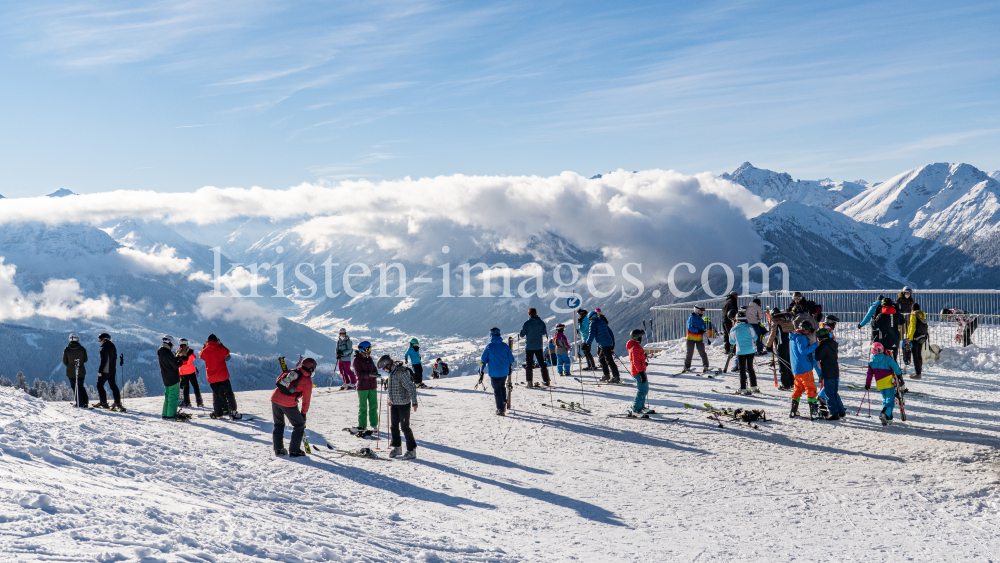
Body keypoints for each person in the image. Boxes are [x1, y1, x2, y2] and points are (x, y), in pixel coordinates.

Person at [271, 357, 315, 456]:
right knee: (299, 425)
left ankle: (278, 449)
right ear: (311, 369)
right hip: (288, 403)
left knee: (278, 425)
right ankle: (294, 450)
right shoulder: (307, 381)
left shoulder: (292, 371)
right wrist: (303, 414)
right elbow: (306, 400)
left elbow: (279, 380)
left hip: (275, 398)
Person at [200, 334, 241, 420]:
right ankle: (233, 412)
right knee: (229, 394)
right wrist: (220, 344)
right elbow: (227, 352)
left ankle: (218, 414)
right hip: (222, 376)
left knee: (216, 395)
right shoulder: (220, 348)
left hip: (212, 378)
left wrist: (205, 345)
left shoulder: (205, 351)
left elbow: (201, 356)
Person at [386, 357, 419, 459]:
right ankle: (397, 447)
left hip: (404, 404)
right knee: (394, 426)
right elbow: (391, 387)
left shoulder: (401, 373)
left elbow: (411, 387)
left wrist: (414, 402)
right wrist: (390, 399)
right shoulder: (391, 373)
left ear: (387, 365)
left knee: (405, 427)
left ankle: (411, 450)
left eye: (384, 368)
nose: (383, 370)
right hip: (395, 404)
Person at [480, 327, 516, 415]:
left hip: (494, 373)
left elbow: (482, 360)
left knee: (497, 390)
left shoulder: (489, 346)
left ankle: (500, 409)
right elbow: (511, 360)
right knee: (502, 386)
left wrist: (480, 370)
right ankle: (504, 402)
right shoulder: (505, 346)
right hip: (504, 372)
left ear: (491, 335)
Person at [865, 342, 902, 426]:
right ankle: (884, 414)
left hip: (880, 383)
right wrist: (899, 375)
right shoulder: (887, 358)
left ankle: (888, 418)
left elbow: (869, 375)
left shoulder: (871, 362)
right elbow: (895, 366)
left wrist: (868, 384)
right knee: (890, 400)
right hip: (889, 382)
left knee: (885, 399)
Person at [789, 321, 819, 419]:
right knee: (810, 388)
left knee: (798, 388)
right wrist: (815, 345)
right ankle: (814, 413)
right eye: (809, 331)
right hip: (805, 368)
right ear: (804, 329)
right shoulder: (801, 337)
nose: (809, 333)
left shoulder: (793, 338)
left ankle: (793, 411)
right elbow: (803, 351)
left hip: (796, 369)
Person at [814, 328, 844, 420]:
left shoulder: (824, 346)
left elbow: (817, 356)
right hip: (835, 371)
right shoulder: (833, 344)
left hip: (828, 372)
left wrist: (817, 347)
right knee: (834, 393)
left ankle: (834, 413)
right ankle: (841, 411)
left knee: (829, 394)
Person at [351, 341, 379, 435]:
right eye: (369, 349)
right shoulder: (356, 360)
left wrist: (375, 373)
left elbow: (374, 368)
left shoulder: (369, 358)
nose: (370, 351)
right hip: (363, 386)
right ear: (364, 349)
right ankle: (362, 425)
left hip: (372, 386)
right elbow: (359, 374)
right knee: (363, 407)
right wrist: (369, 375)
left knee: (373, 406)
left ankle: (374, 425)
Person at [586, 309, 620, 383]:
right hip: (607, 343)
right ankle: (606, 375)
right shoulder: (602, 322)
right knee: (601, 359)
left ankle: (616, 377)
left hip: (604, 344)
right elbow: (610, 332)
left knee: (609, 360)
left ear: (590, 318)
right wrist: (612, 343)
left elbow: (591, 335)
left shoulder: (593, 323)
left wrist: (587, 344)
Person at [520, 308, 551, 387]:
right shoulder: (541, 323)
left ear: (529, 314)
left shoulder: (527, 323)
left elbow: (522, 334)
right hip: (538, 346)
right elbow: (544, 332)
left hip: (529, 346)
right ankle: (546, 380)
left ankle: (529, 382)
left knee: (529, 364)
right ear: (536, 313)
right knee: (542, 363)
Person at [158, 335, 187, 421]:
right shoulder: (168, 352)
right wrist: (181, 360)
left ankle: (165, 414)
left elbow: (170, 361)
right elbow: (175, 365)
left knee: (167, 397)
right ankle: (171, 414)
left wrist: (176, 358)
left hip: (165, 377)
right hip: (172, 378)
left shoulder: (161, 351)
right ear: (170, 343)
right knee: (173, 397)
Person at [728, 312, 758, 395]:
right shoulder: (750, 327)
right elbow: (755, 337)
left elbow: (732, 342)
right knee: (750, 367)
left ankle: (743, 388)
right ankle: (754, 386)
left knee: (742, 369)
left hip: (740, 351)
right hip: (751, 350)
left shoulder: (734, 329)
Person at [766, 308, 795, 390]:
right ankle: (791, 382)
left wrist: (768, 345)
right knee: (788, 362)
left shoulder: (776, 321)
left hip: (782, 344)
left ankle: (786, 384)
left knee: (782, 363)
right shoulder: (787, 320)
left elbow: (772, 334)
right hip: (790, 343)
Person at [94, 333, 124, 411]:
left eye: (100, 340)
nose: (99, 341)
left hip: (105, 370)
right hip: (112, 370)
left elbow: (104, 361)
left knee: (99, 385)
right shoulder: (113, 347)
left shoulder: (104, 349)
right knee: (113, 386)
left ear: (104, 340)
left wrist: (100, 371)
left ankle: (103, 402)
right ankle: (117, 402)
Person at [873, 297, 904, 362]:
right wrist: (897, 310)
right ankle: (895, 368)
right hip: (896, 338)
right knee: (895, 357)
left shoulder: (881, 316)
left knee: (885, 357)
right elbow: (902, 321)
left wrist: (875, 315)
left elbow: (875, 325)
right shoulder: (897, 315)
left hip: (885, 339)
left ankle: (886, 370)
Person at [626, 329, 649, 415]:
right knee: (642, 390)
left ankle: (641, 406)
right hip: (638, 372)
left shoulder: (636, 346)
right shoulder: (635, 347)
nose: (641, 338)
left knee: (645, 389)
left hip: (640, 371)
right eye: (641, 336)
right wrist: (641, 373)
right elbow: (635, 361)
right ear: (637, 337)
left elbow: (637, 359)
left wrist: (643, 362)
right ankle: (636, 409)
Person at [63, 334, 89, 408]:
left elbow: (65, 361)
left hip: (71, 372)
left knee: (75, 387)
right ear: (77, 339)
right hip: (81, 371)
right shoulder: (82, 349)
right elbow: (85, 359)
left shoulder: (67, 349)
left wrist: (70, 365)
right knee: (81, 386)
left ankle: (79, 403)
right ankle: (85, 402)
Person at [176, 338, 203, 408]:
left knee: (186, 388)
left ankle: (187, 402)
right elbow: (194, 358)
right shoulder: (190, 351)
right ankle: (199, 402)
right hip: (191, 371)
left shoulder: (178, 352)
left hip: (182, 373)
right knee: (195, 386)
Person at [683, 305, 710, 374]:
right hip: (691, 338)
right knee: (690, 352)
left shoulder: (701, 319)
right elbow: (690, 328)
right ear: (697, 311)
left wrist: (707, 339)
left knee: (702, 352)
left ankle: (706, 366)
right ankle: (686, 367)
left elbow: (703, 330)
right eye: (701, 311)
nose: (702, 312)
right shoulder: (691, 318)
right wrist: (698, 331)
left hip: (699, 338)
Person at [905, 303, 928, 379]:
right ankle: (919, 371)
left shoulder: (913, 315)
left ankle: (918, 374)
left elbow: (912, 327)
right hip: (921, 337)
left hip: (915, 338)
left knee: (915, 356)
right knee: (919, 355)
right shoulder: (922, 315)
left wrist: (909, 338)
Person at [721, 291, 738, 356]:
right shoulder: (732, 300)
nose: (737, 297)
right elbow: (734, 310)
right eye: (736, 295)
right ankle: (733, 349)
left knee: (726, 334)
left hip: (723, 319)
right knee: (731, 334)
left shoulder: (726, 301)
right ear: (734, 295)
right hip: (729, 320)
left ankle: (727, 349)